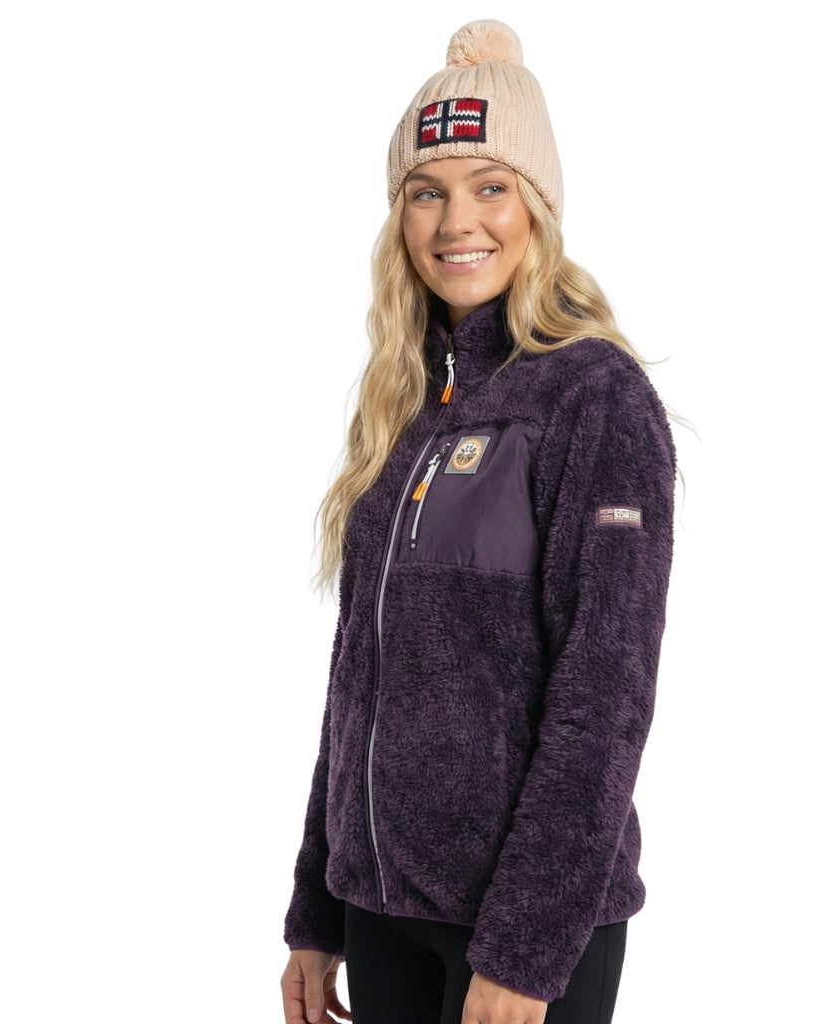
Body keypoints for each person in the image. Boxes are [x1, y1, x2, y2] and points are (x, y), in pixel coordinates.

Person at [280, 19, 677, 1024]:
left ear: (538, 205)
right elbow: (357, 680)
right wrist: (317, 909)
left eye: (490, 186)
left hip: (522, 928)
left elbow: (606, 697)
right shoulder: (404, 406)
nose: (457, 221)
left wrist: (525, 951)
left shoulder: (593, 397)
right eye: (427, 192)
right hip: (381, 911)